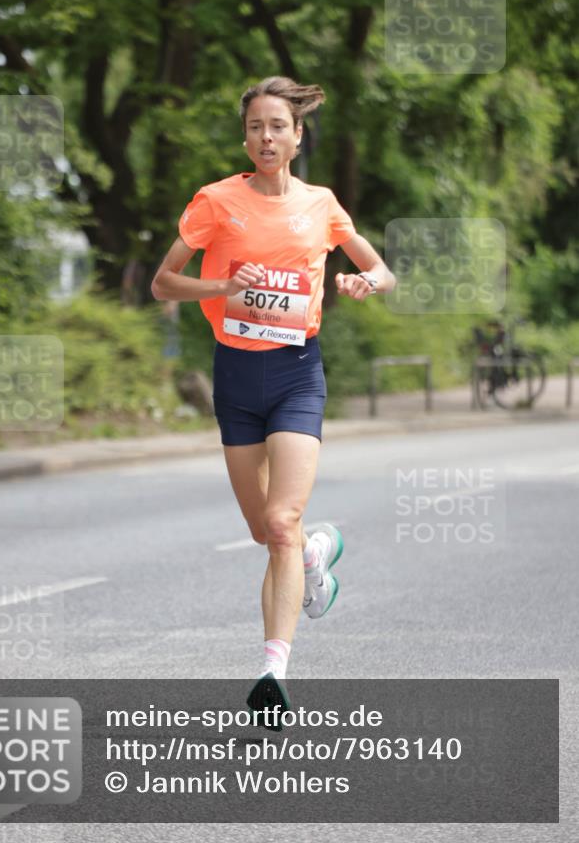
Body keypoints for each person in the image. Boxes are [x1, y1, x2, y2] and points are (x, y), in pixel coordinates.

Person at [151, 76, 396, 723]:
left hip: (295, 374)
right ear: (246, 135)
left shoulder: (320, 204)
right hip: (234, 377)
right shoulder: (214, 201)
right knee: (265, 532)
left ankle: (271, 670)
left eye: (278, 126)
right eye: (256, 126)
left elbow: (380, 268)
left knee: (283, 523)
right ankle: (316, 557)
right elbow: (162, 283)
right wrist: (222, 286)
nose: (266, 136)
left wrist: (363, 282)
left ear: (296, 136)